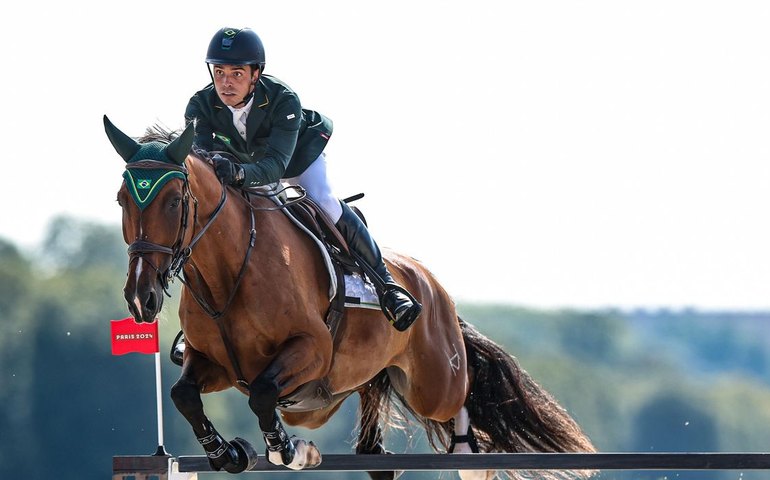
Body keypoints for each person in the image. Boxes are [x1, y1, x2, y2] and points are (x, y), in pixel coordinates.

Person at [184, 27, 421, 331]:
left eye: (237, 74)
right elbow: (202, 162)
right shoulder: (200, 105)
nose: (226, 83)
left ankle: (386, 287)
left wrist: (240, 173)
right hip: (244, 162)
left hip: (297, 157)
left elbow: (274, 167)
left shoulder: (283, 100)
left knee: (323, 201)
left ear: (256, 74)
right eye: (219, 72)